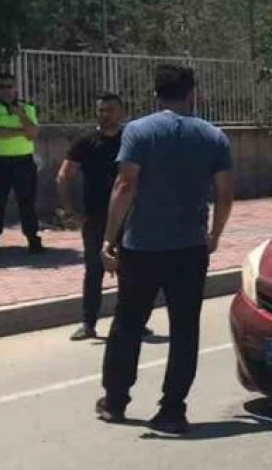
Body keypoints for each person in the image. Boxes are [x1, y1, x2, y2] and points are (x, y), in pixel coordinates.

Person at [97, 65, 234, 435]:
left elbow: (125, 186)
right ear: (192, 93)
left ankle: (115, 400)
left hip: (142, 246)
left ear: (156, 94)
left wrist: (109, 238)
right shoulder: (213, 137)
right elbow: (224, 196)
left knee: (128, 322)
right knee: (185, 328)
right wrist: (215, 236)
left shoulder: (138, 131)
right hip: (189, 246)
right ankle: (173, 409)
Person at [57, 92, 127, 341]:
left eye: (110, 110)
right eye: (101, 110)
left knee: (129, 270)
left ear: (122, 112)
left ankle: (128, 321)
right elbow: (64, 176)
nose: (105, 115)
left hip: (128, 217)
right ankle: (88, 323)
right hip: (95, 217)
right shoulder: (86, 142)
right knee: (94, 270)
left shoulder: (131, 140)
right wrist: (70, 211)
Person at [0, 72, 43, 253]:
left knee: (27, 201)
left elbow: (33, 133)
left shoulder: (27, 108)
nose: (6, 91)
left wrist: (21, 116)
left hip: (23, 161)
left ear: (16, 88)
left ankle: (33, 239)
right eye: (2, 87)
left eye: (9, 86)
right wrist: (21, 131)